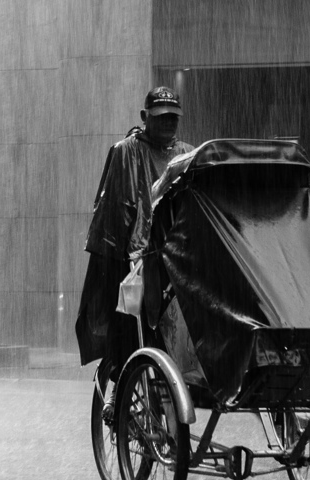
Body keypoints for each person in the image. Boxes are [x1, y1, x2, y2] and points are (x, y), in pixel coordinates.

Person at [76, 86, 194, 418]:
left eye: (173, 118)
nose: (168, 123)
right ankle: (118, 387)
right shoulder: (126, 152)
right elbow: (114, 214)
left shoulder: (187, 153)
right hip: (138, 259)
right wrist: (129, 258)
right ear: (145, 118)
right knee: (129, 318)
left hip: (181, 257)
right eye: (161, 118)